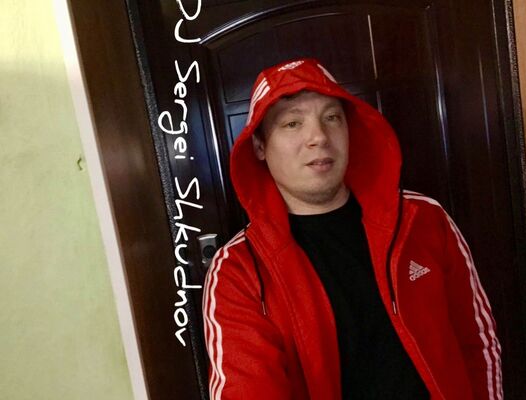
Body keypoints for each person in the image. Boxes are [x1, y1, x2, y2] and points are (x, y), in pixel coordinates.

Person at [202, 58, 502, 400]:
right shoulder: (238, 271)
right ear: (259, 146)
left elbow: (477, 341)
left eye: (331, 117)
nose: (318, 137)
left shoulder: (424, 219)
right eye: (292, 123)